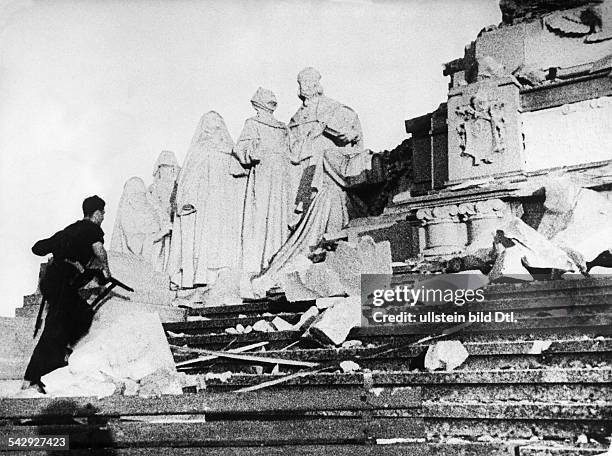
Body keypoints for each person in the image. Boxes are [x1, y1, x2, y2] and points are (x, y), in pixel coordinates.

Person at [251, 67, 366, 295]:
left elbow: (350, 133)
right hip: (304, 172)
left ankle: (328, 244)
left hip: (325, 171)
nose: (304, 87)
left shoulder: (333, 108)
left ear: (317, 84)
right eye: (301, 82)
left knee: (329, 202)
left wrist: (327, 131)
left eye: (308, 82)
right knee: (304, 208)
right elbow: (290, 146)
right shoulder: (296, 117)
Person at [23, 195, 111, 393]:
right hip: (62, 284)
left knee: (77, 315)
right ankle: (38, 375)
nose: (104, 217)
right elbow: (100, 252)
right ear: (96, 213)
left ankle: (43, 369)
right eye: (103, 213)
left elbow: (38, 247)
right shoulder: (92, 229)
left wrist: (62, 254)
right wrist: (106, 271)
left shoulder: (70, 230)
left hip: (53, 283)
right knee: (57, 328)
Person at [167, 111, 246, 288]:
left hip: (224, 202)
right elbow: (187, 177)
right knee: (203, 239)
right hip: (204, 202)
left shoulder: (229, 148)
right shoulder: (199, 149)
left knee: (221, 239)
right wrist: (189, 198)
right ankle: (200, 277)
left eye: (218, 122)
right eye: (211, 122)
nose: (215, 126)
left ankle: (220, 276)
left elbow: (240, 173)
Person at [234, 87, 293, 294]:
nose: (272, 104)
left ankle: (276, 263)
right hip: (263, 177)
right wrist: (253, 151)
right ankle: (256, 268)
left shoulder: (283, 127)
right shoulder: (252, 124)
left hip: (282, 178)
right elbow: (241, 148)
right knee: (259, 219)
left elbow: (292, 151)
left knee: (279, 219)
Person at [111, 177, 169, 270]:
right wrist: (158, 236)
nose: (140, 198)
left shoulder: (149, 209)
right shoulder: (126, 215)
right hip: (136, 265)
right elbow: (133, 243)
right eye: (136, 195)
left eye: (142, 194)